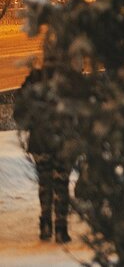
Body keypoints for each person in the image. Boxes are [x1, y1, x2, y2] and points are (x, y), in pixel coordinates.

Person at [14, 66, 71, 242]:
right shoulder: (66, 79)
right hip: (61, 139)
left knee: (44, 182)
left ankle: (45, 222)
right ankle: (61, 227)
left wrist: (31, 124)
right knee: (61, 182)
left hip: (39, 140)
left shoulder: (33, 80)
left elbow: (19, 112)